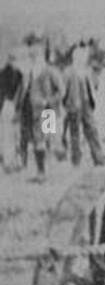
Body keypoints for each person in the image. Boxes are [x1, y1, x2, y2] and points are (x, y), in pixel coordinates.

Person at [17, 36, 65, 180]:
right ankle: (42, 171)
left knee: (46, 140)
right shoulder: (29, 72)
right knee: (37, 141)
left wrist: (49, 101)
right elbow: (24, 91)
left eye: (35, 50)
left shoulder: (50, 70)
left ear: (41, 51)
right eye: (30, 49)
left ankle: (44, 172)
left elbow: (61, 90)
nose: (32, 53)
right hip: (31, 111)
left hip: (47, 111)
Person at [62, 42, 105, 167]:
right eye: (82, 56)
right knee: (75, 134)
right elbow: (63, 90)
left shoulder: (86, 71)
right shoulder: (68, 72)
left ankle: (98, 158)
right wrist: (65, 105)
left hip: (86, 106)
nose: (84, 59)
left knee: (92, 130)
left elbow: (91, 88)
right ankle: (76, 160)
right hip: (73, 106)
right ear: (76, 58)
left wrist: (92, 102)